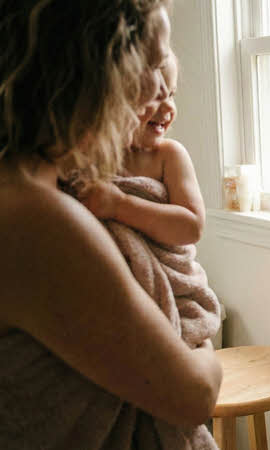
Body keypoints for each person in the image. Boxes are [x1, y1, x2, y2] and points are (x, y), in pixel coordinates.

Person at [0, 1, 222, 448]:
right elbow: (195, 395)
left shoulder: (44, 181)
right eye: (154, 63)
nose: (162, 89)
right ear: (102, 72)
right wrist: (204, 351)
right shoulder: (31, 216)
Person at [77, 49, 206, 248]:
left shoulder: (169, 155)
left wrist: (119, 205)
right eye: (153, 96)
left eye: (171, 95)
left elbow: (192, 227)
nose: (167, 107)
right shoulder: (88, 156)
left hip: (166, 273)